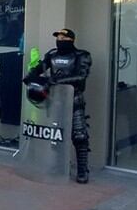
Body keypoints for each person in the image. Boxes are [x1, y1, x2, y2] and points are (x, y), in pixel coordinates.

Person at [23, 29, 93, 183]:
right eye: (58, 37)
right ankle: (59, 165)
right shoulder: (52, 55)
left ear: (71, 40)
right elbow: (39, 68)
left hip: (74, 100)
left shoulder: (82, 55)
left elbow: (81, 77)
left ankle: (82, 170)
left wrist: (54, 81)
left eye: (63, 38)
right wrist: (31, 77)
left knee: (79, 136)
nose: (60, 40)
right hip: (56, 101)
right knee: (56, 135)